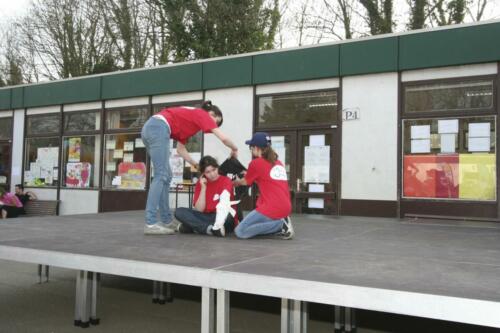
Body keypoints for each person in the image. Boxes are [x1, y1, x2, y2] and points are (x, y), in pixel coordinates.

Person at [141, 101, 239, 235]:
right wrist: (234, 148)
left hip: (152, 128)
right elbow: (223, 138)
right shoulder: (202, 114)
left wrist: (197, 165)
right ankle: (150, 223)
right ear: (212, 114)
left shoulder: (192, 123)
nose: (214, 126)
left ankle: (166, 220)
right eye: (216, 121)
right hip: (158, 128)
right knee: (161, 175)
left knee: (166, 176)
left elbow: (181, 150)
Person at [233, 132, 294, 240]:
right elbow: (267, 180)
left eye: (251, 148)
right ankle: (282, 221)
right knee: (252, 227)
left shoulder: (255, 163)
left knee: (240, 231)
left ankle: (280, 225)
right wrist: (248, 174)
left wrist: (236, 181)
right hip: (286, 207)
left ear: (256, 147)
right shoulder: (278, 162)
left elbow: (245, 182)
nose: (251, 150)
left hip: (271, 207)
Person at [174, 156, 238, 237]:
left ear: (217, 167)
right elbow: (199, 210)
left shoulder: (226, 181)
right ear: (203, 173)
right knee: (179, 212)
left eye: (214, 170)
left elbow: (224, 207)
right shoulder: (200, 184)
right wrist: (203, 188)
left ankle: (193, 227)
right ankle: (210, 229)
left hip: (222, 216)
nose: (212, 174)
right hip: (206, 216)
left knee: (228, 217)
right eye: (208, 172)